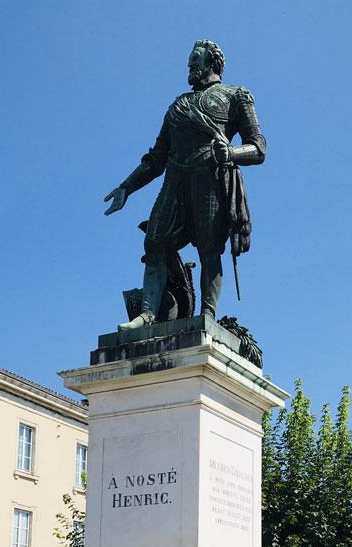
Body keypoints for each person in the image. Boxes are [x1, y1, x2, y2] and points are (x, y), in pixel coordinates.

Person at [104, 39, 266, 332]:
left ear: (211, 62)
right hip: (175, 180)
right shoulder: (178, 105)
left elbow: (258, 148)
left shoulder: (236, 96)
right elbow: (156, 158)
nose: (190, 65)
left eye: (195, 59)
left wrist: (231, 152)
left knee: (209, 249)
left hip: (211, 179)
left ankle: (206, 315)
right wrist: (126, 187)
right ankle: (148, 314)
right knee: (154, 241)